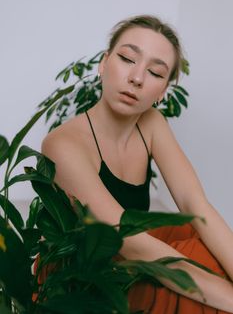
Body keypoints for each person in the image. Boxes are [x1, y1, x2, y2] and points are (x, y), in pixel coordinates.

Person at [41, 15, 233, 313]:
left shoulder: (152, 123)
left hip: (133, 255)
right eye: (128, 58)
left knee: (208, 250)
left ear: (163, 91)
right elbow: (122, 239)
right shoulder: (62, 144)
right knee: (200, 291)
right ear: (104, 64)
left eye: (155, 73)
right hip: (84, 273)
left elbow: (195, 204)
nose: (137, 78)